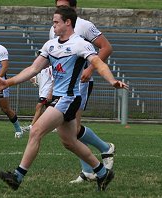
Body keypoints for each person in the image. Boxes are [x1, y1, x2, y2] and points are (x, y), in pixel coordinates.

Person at [0, 6, 128, 191]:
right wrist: (8, 82)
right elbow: (33, 69)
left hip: (69, 98)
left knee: (36, 131)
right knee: (69, 142)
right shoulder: (50, 45)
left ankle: (17, 177)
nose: (53, 25)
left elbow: (98, 63)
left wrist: (112, 80)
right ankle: (102, 173)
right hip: (58, 99)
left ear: (68, 22)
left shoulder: (80, 44)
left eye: (56, 22)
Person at [50, 0, 115, 183]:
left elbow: (106, 47)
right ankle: (92, 166)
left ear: (74, 8)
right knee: (71, 132)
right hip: (62, 88)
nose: (62, 9)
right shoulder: (55, 28)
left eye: (65, 6)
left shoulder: (85, 26)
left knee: (73, 130)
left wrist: (90, 69)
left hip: (81, 83)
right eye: (58, 6)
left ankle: (101, 153)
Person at [22, 66, 54, 132]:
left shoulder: (51, 68)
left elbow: (54, 81)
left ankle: (32, 126)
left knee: (38, 107)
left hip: (46, 92)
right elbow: (37, 80)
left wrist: (50, 93)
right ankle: (52, 126)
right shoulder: (42, 70)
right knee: (49, 111)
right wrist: (32, 79)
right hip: (43, 93)